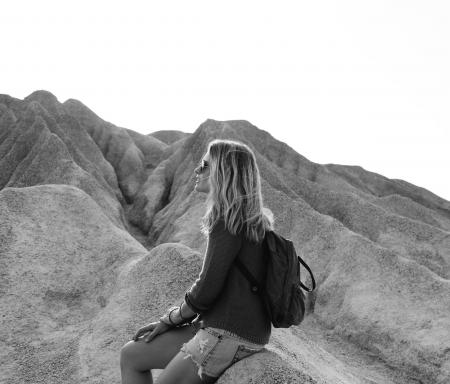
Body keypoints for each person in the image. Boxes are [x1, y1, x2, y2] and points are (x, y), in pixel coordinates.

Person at [120, 139, 274, 384]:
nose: (197, 170)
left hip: (227, 334)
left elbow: (206, 289)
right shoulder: (251, 222)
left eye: (204, 165)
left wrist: (169, 320)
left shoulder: (227, 221)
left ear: (223, 173)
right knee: (131, 355)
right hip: (228, 329)